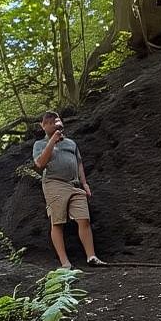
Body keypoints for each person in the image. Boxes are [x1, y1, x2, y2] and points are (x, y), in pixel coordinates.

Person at [32, 110, 106, 268]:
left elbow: (79, 163)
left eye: (56, 121)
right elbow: (40, 164)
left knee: (84, 219)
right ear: (43, 126)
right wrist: (52, 140)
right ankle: (65, 262)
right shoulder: (39, 144)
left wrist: (84, 183)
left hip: (74, 184)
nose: (53, 124)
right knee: (57, 222)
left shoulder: (71, 143)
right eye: (49, 122)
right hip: (54, 183)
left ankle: (91, 256)